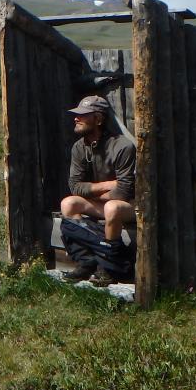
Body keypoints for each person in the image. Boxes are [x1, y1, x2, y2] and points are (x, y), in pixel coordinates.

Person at [59, 95, 136, 286]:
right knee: (68, 203)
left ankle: (107, 267)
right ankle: (85, 261)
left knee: (112, 207)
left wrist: (93, 190)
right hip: (102, 202)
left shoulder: (122, 146)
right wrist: (108, 185)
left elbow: (123, 192)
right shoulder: (79, 147)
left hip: (129, 206)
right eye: (77, 115)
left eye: (83, 115)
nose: (76, 118)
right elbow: (75, 186)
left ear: (99, 119)